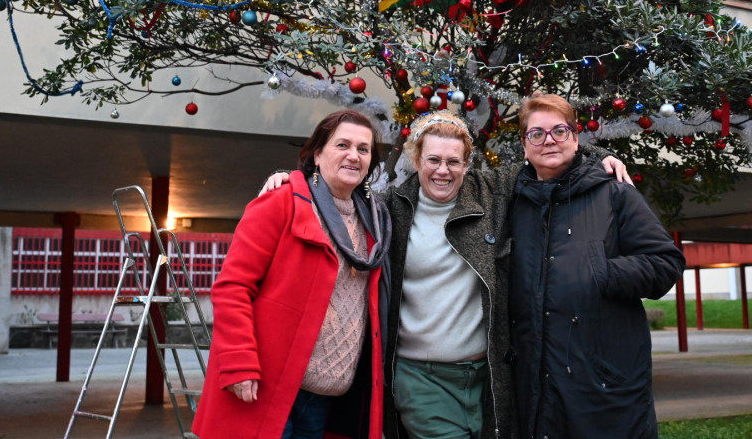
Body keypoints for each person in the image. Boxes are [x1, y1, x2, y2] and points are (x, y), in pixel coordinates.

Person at [260, 110, 629, 439]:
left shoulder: (491, 192)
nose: (442, 170)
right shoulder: (388, 210)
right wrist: (291, 180)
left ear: (467, 163)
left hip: (486, 377)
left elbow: (544, 156)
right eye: (433, 159)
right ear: (416, 159)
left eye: (454, 161)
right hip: (420, 377)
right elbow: (335, 194)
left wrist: (600, 156)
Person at [192, 110, 391, 439]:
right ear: (317, 153)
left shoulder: (377, 221)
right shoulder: (281, 202)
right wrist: (239, 362)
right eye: (342, 145)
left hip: (326, 397)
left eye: (363, 149)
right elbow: (232, 287)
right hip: (267, 386)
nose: (353, 156)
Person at [508, 94, 685, 439]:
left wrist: (601, 272)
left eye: (560, 131)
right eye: (537, 134)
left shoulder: (615, 194)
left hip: (602, 385)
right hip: (533, 386)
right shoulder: (511, 202)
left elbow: (666, 262)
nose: (549, 141)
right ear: (524, 144)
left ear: (575, 138)